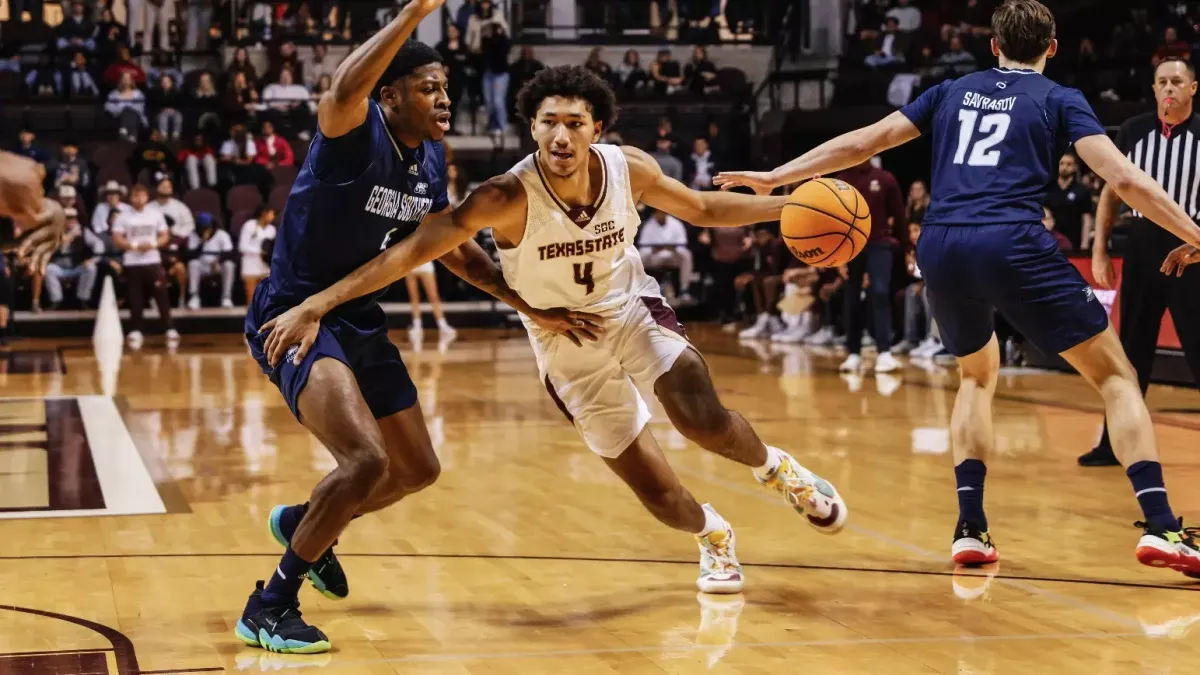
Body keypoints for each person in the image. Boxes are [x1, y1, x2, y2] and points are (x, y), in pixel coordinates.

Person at [261, 64, 849, 606]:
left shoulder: (629, 168)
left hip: (631, 310)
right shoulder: (503, 196)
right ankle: (713, 533)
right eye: (549, 123)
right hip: (564, 345)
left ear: (597, 128)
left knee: (698, 412)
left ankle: (780, 471)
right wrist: (320, 302)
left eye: (574, 123)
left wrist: (793, 208)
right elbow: (416, 250)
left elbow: (701, 208)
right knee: (658, 494)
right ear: (532, 128)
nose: (561, 136)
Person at [715, 0, 1200, 576]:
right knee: (1117, 376)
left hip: (941, 244)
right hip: (1011, 239)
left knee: (976, 374)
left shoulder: (951, 90)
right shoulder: (1060, 99)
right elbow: (1122, 177)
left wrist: (777, 176)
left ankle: (970, 528)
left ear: (993, 46)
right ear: (1051, 47)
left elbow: (864, 142)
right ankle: (1163, 526)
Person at [233, 1, 597, 654]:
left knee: (415, 467)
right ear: (391, 96)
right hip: (295, 314)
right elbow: (345, 87)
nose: (444, 98)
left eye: (447, 89)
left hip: (359, 317)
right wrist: (412, 15)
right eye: (429, 87)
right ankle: (270, 603)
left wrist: (526, 303)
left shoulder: (429, 162)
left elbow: (451, 248)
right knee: (365, 459)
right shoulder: (355, 134)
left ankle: (302, 522)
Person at [1080, 58, 1200, 467]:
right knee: (1129, 351)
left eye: (1177, 81)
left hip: (1191, 246)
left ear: (1193, 88)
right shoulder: (1132, 131)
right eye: (1162, 82)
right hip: (1143, 243)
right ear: (1152, 90)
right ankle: (1112, 444)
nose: (1169, 88)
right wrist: (1100, 248)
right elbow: (1112, 193)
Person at [112, 184, 179, 349]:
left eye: (142, 196)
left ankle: (169, 328)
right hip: (132, 261)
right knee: (135, 297)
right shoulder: (123, 216)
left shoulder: (155, 215)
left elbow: (164, 235)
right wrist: (133, 246)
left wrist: (154, 244)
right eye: (135, 196)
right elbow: (117, 237)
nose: (139, 199)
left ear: (147, 197)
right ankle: (136, 329)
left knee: (161, 294)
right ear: (131, 197)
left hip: (152, 260)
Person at [238, 206, 276, 302]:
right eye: (271, 214)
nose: (273, 217)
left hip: (265, 265)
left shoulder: (272, 229)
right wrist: (259, 252)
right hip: (250, 264)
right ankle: (251, 316)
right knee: (251, 298)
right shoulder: (249, 226)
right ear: (263, 213)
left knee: (266, 298)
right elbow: (242, 246)